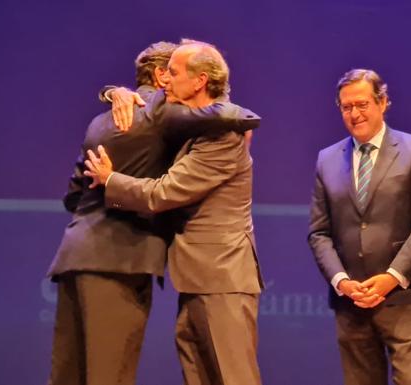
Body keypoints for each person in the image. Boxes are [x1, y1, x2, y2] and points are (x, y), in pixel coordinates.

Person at [46, 40, 258, 385]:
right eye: (170, 73)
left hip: (78, 254)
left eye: (178, 74)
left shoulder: (101, 123)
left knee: (67, 374)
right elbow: (229, 116)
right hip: (123, 260)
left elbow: (74, 195)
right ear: (160, 77)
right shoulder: (159, 112)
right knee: (109, 375)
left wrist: (112, 93)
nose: (171, 83)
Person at [307, 69, 411, 385]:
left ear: (382, 103)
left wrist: (391, 278)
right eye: (346, 107)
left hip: (402, 297)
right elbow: (319, 232)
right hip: (350, 301)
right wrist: (341, 281)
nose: (354, 114)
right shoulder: (327, 159)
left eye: (362, 104)